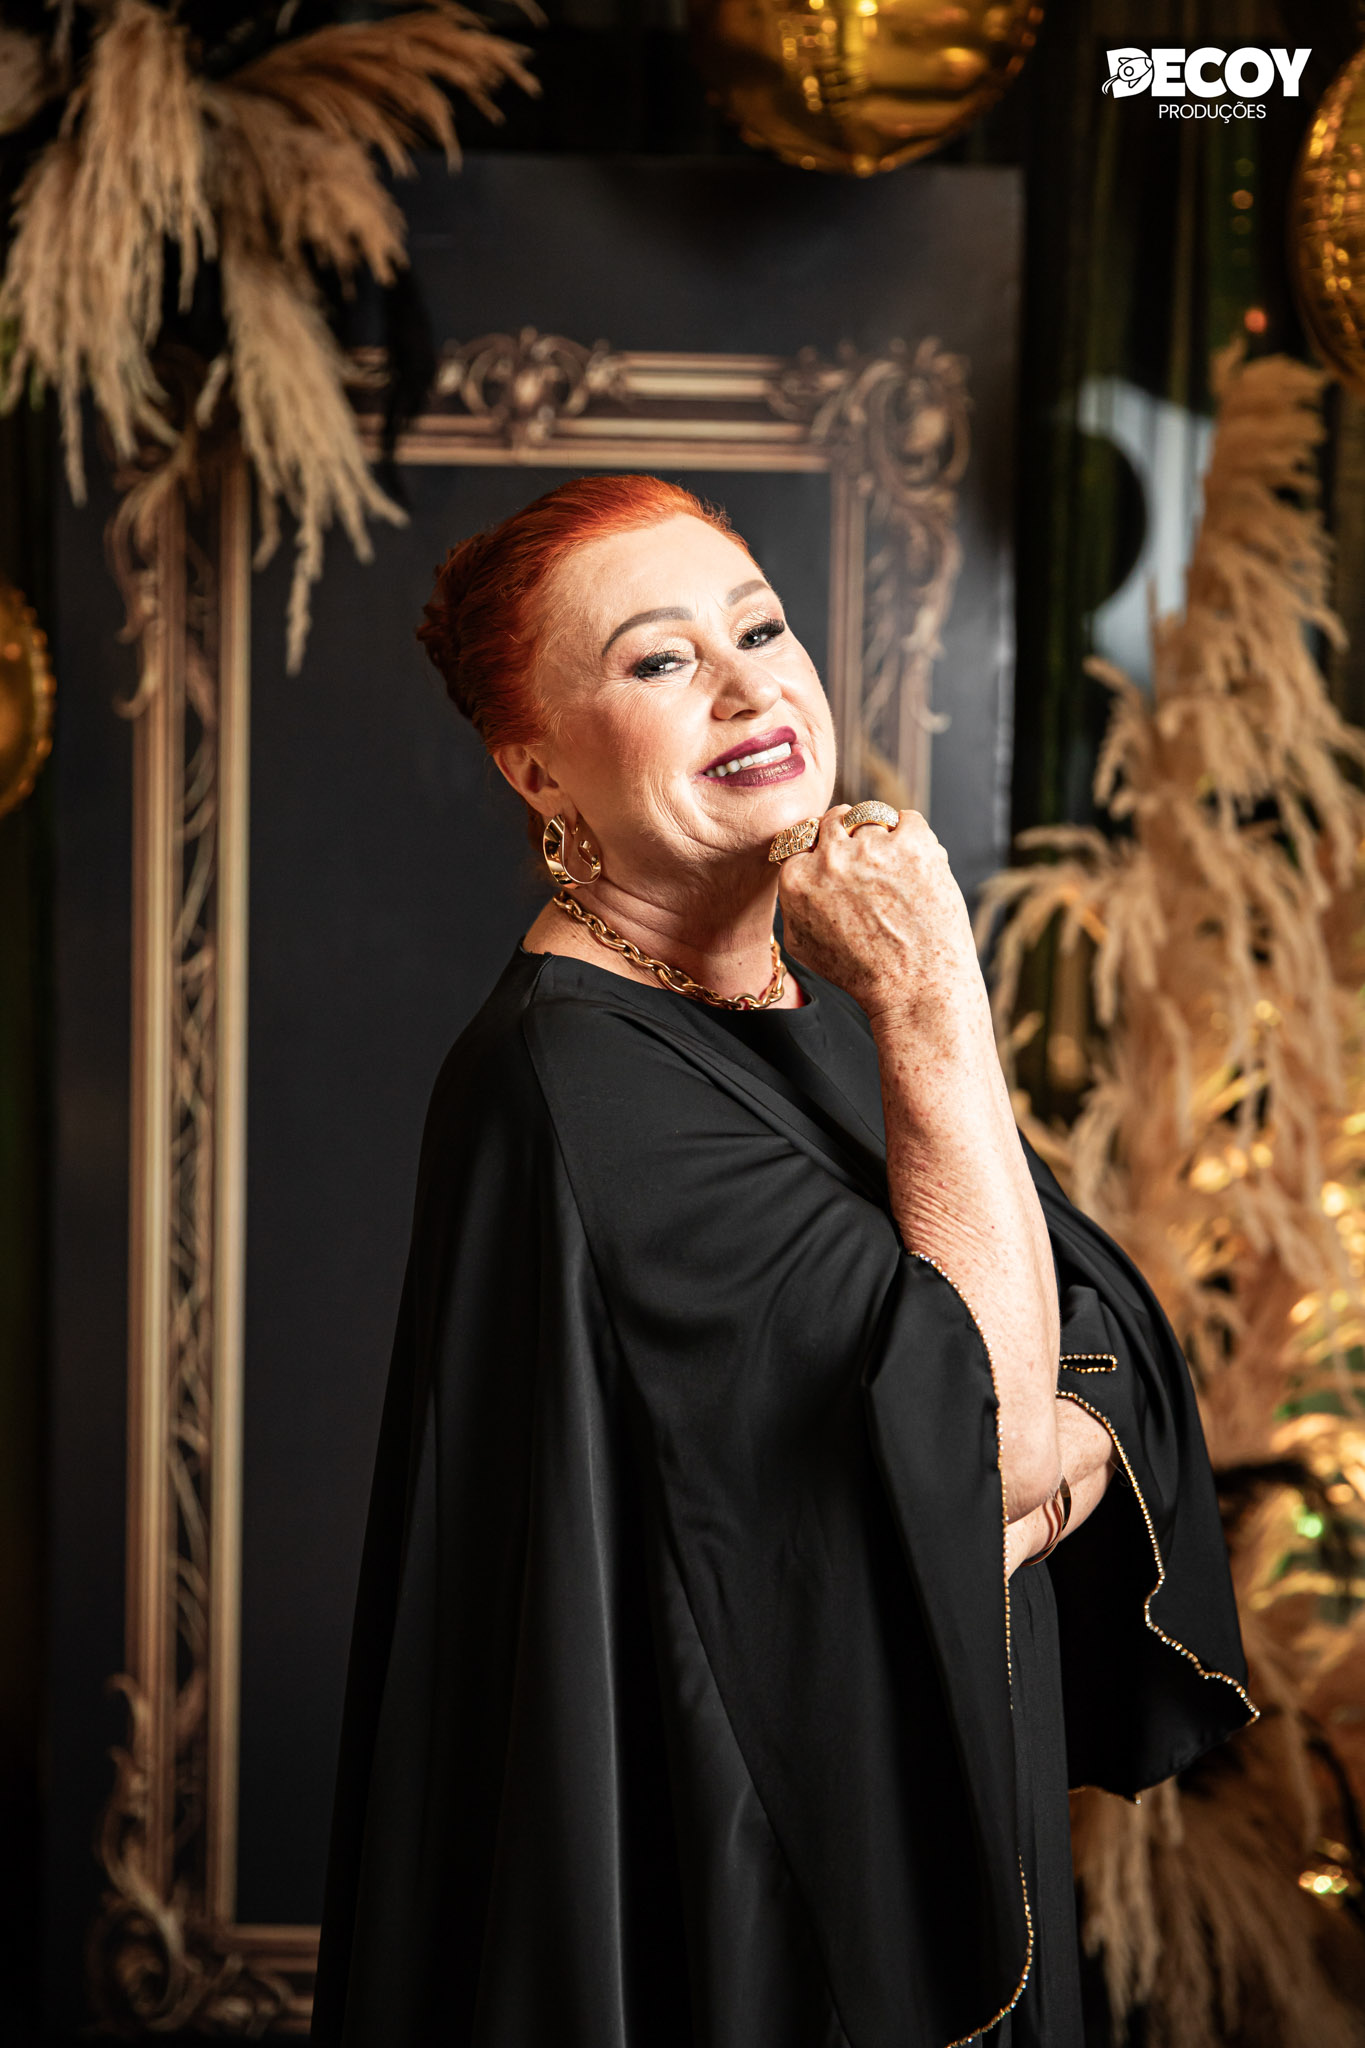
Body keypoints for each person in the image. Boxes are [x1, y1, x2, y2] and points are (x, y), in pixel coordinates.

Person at [311, 475, 1255, 2048]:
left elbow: (1089, 1321)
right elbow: (990, 1434)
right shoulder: (583, 1079)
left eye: (758, 629)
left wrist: (1040, 1449)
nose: (750, 689)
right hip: (760, 1885)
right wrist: (934, 994)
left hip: (925, 1781)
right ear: (535, 764)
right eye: (658, 659)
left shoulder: (797, 1003)